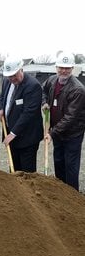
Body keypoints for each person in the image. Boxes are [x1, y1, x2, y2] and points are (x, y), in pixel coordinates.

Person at [42, 51, 85, 191]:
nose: (64, 71)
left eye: (67, 68)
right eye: (61, 67)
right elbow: (42, 90)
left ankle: (72, 197)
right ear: (56, 67)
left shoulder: (78, 89)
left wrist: (52, 134)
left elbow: (70, 117)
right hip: (57, 132)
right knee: (58, 163)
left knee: (70, 167)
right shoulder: (52, 80)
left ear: (72, 69)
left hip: (72, 135)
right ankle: (61, 196)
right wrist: (44, 103)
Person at [0, 56, 43, 173]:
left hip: (27, 138)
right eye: (9, 75)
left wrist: (13, 133)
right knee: (14, 170)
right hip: (11, 136)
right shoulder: (7, 81)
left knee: (27, 173)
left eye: (14, 75)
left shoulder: (33, 86)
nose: (12, 78)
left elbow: (28, 113)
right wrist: (1, 108)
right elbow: (2, 97)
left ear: (21, 69)